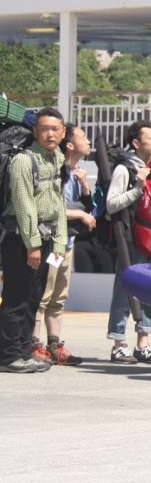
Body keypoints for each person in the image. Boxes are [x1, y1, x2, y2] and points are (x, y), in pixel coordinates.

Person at [0, 108, 67, 374]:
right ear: (35, 131)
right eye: (44, 128)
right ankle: (8, 355)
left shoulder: (57, 159)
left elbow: (58, 204)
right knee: (16, 296)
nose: (50, 133)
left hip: (48, 241)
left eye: (55, 129)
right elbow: (25, 205)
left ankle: (25, 350)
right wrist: (33, 245)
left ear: (63, 132)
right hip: (23, 240)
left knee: (34, 295)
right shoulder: (23, 162)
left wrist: (59, 244)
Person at [104, 120, 151, 365]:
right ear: (135, 143)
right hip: (131, 238)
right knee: (125, 290)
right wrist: (138, 189)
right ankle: (119, 343)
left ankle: (143, 343)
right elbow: (111, 204)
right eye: (150, 136)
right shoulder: (125, 169)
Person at [32, 123, 93, 366]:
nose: (88, 141)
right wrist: (79, 215)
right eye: (83, 137)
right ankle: (34, 344)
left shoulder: (78, 174)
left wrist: (86, 188)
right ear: (69, 145)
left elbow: (89, 209)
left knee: (60, 296)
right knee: (43, 294)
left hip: (68, 242)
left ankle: (54, 344)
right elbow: (50, 208)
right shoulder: (58, 172)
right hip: (53, 244)